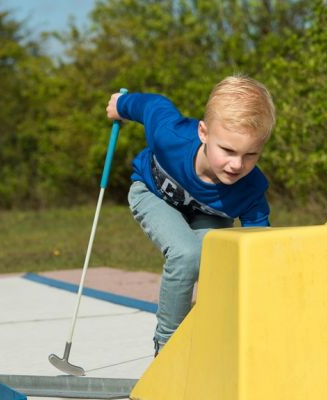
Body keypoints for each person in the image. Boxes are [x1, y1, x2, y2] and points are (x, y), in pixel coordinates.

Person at [105, 75, 276, 356]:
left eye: (250, 155)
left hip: (210, 216)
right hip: (154, 193)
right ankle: (168, 346)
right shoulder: (171, 136)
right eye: (228, 150)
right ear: (204, 133)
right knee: (187, 255)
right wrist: (121, 104)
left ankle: (212, 334)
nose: (237, 165)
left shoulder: (251, 190)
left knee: (221, 256)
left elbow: (258, 247)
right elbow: (153, 106)